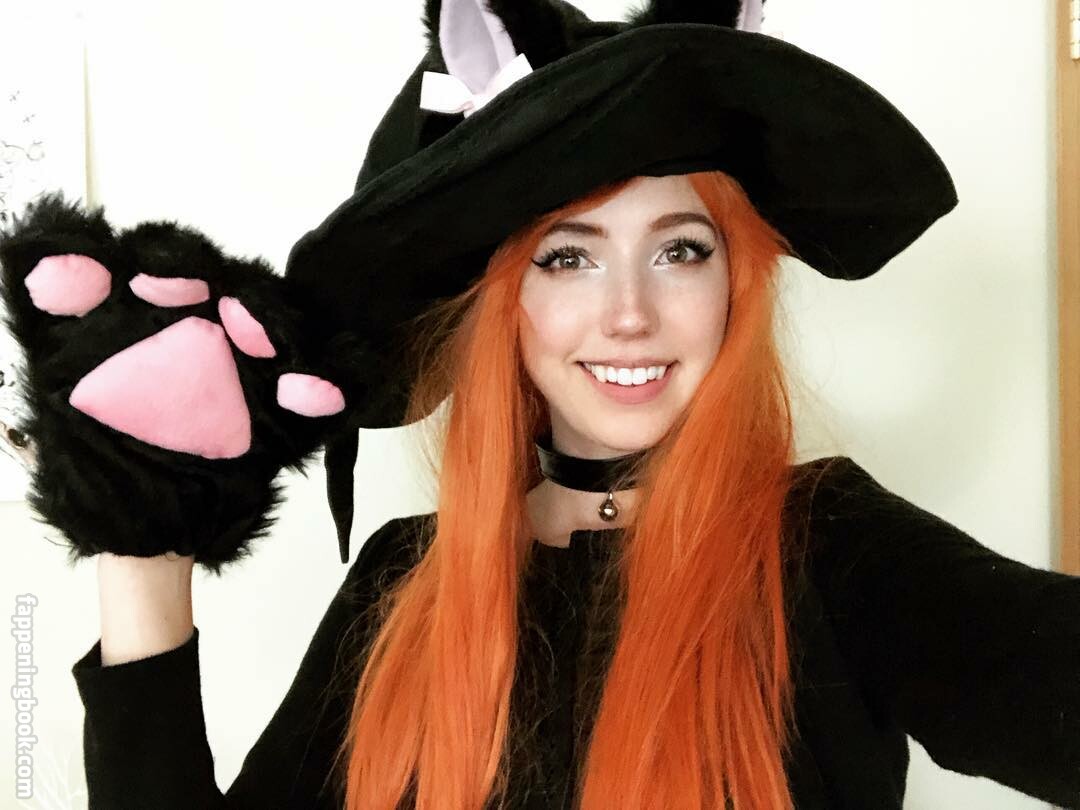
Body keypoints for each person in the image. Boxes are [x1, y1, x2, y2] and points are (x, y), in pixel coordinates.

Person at [0, 1, 1076, 809]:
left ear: (735, 284)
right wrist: (141, 545)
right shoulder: (403, 579)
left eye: (681, 251)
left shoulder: (835, 553)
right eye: (567, 257)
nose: (629, 315)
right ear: (502, 301)